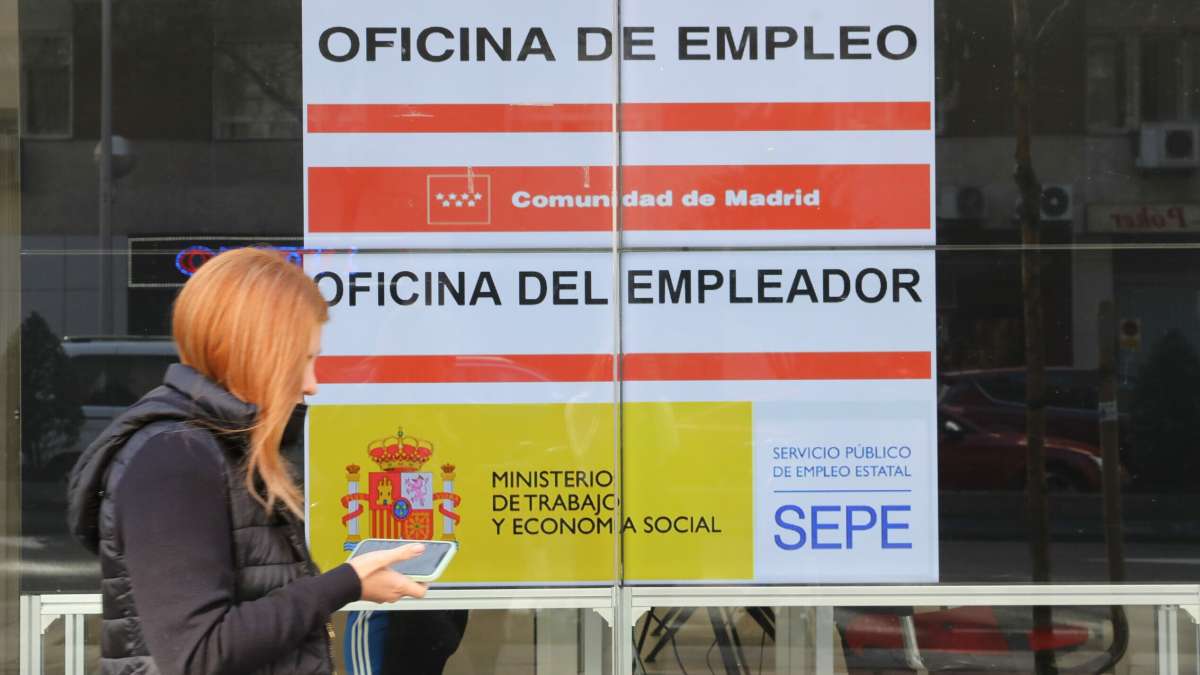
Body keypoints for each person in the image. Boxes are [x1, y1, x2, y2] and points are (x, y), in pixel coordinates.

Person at [67, 248, 427, 675]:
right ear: (257, 352)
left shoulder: (213, 447)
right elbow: (197, 654)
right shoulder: (174, 459)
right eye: (304, 360)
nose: (312, 384)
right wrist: (344, 583)